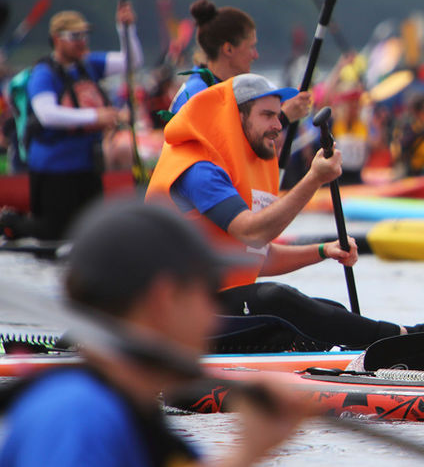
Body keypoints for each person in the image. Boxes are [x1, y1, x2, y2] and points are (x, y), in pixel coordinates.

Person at [146, 73, 424, 349]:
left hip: (216, 307)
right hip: (177, 318)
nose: (278, 125)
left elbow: (257, 256)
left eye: (277, 115)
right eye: (267, 115)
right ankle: (402, 337)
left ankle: (367, 352)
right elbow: (252, 231)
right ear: (236, 117)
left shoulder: (240, 164)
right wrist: (314, 178)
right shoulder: (199, 169)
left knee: (329, 310)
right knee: (277, 300)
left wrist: (324, 250)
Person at [0, 200, 310, 467]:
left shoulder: (142, 422)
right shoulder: (76, 415)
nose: (212, 319)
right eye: (208, 294)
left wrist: (251, 449)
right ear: (166, 298)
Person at [13, 4, 142, 240]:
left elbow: (131, 61)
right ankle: (10, 224)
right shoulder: (43, 73)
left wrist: (126, 29)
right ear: (56, 39)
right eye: (74, 36)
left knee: (91, 232)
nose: (82, 41)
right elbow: (47, 114)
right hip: (54, 167)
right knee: (54, 233)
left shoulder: (89, 64)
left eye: (84, 35)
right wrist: (97, 116)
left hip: (87, 166)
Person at [166, 0, 310, 121]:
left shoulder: (215, 85)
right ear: (228, 49)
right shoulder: (200, 95)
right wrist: (284, 117)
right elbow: (231, 146)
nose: (256, 55)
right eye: (251, 47)